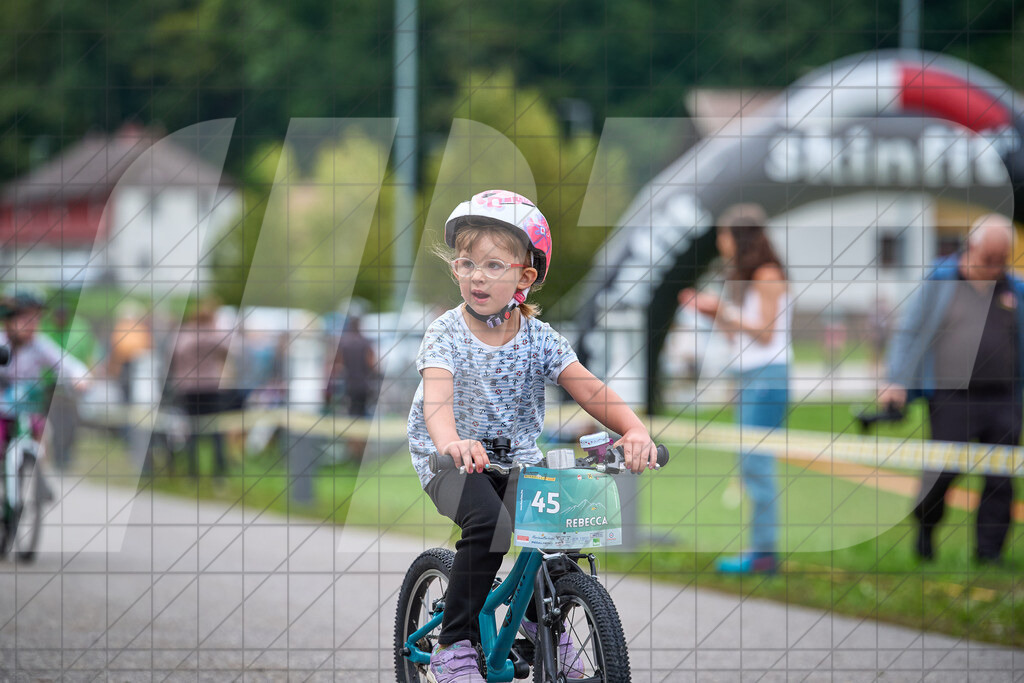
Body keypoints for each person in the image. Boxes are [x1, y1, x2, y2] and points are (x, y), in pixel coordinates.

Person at [407, 190, 658, 682]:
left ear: (524, 277)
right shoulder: (445, 333)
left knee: (561, 532)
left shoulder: (540, 338)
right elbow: (436, 398)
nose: (477, 275)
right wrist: (451, 442)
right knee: (491, 526)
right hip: (449, 459)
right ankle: (454, 646)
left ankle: (544, 617)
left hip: (517, 457)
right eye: (466, 263)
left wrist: (633, 429)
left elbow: (587, 387)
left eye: (494, 265)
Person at [879, 214, 1024, 565]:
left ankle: (989, 553)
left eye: (1000, 259)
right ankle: (926, 530)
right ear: (970, 247)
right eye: (987, 258)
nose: (993, 267)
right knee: (941, 474)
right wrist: (896, 381)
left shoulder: (1015, 288)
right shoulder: (940, 280)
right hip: (951, 395)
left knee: (1000, 479)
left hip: (1003, 397)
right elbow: (909, 332)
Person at [679, 203, 790, 575]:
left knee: (757, 465)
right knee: (749, 464)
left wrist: (722, 312)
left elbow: (765, 332)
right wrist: (712, 313)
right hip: (749, 375)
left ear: (739, 238)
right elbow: (736, 335)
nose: (721, 243)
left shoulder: (768, 274)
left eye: (724, 235)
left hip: (767, 375)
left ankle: (764, 552)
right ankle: (761, 549)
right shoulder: (741, 277)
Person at [0, 292, 91, 498]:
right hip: (2, 411)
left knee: (44, 432)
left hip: (27, 410)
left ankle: (38, 476)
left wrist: (80, 377)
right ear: (9, 319)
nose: (33, 325)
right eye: (26, 318)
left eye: (36, 319)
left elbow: (65, 363)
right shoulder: (1, 343)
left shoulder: (39, 345)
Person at [167, 299, 232, 479]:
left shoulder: (183, 335)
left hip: (187, 388)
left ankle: (191, 473)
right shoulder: (213, 335)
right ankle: (219, 474)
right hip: (211, 387)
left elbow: (172, 357)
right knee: (216, 431)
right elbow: (228, 351)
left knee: (191, 432)